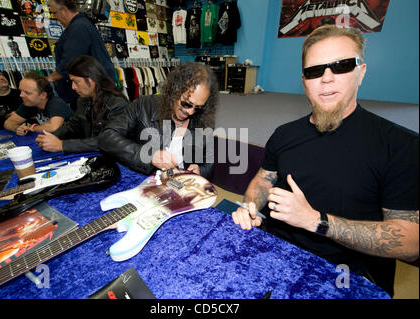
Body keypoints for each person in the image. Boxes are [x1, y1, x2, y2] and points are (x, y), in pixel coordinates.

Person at [231, 25, 419, 297]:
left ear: (361, 73)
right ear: (304, 80)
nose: (327, 78)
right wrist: (250, 206)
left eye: (341, 66)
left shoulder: (399, 145)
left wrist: (315, 221)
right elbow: (264, 178)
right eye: (314, 71)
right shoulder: (284, 134)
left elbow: (410, 240)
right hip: (276, 251)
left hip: (345, 271)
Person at [99, 62, 218, 178]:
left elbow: (209, 161)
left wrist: (200, 170)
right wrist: (149, 155)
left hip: (181, 187)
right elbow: (107, 137)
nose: (191, 112)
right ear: (175, 89)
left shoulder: (204, 121)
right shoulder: (143, 106)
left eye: (197, 107)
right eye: (187, 104)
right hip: (143, 182)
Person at [35, 55, 128, 154]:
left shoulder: (117, 105)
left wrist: (62, 145)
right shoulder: (84, 100)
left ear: (92, 80)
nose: (73, 87)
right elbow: (74, 125)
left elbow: (108, 141)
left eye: (76, 82)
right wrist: (52, 136)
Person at [47, 0, 116, 108]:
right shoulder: (81, 24)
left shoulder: (78, 27)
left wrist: (50, 78)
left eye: (54, 13)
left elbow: (70, 62)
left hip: (95, 92)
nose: (55, 17)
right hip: (94, 90)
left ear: (64, 10)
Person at [4, 70, 73, 136]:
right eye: (21, 91)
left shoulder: (56, 103)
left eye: (27, 93)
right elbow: (9, 122)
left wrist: (31, 128)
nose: (21, 95)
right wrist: (17, 129)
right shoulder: (30, 103)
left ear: (43, 95)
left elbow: (53, 128)